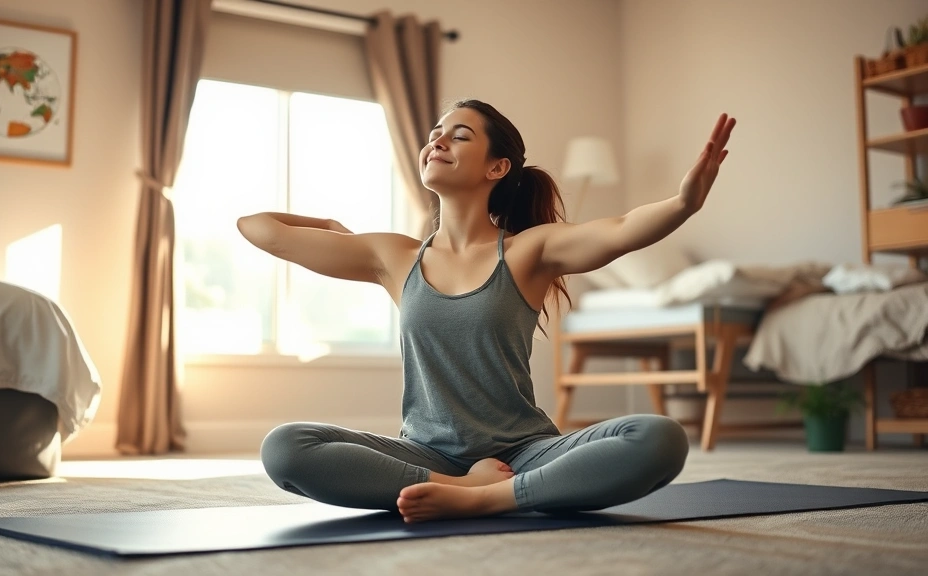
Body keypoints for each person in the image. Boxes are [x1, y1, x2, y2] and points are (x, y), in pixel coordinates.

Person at [237, 99, 735, 523]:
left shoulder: (527, 250)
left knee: (658, 438)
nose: (438, 142)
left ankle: (491, 498)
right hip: (427, 453)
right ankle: (459, 488)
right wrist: (324, 222)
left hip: (525, 452)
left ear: (497, 168)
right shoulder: (394, 257)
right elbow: (258, 227)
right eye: (434, 135)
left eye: (459, 136)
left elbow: (622, 227)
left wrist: (684, 202)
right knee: (286, 447)